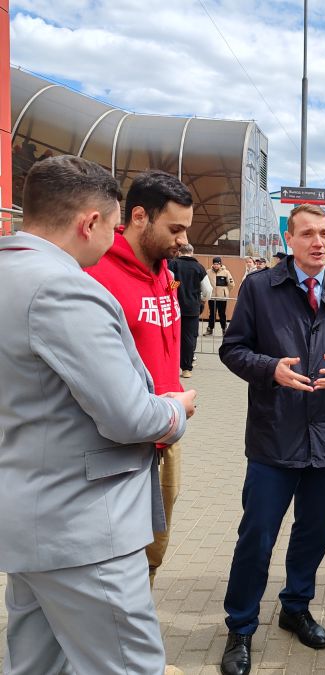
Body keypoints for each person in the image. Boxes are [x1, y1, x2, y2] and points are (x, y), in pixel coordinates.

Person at [0, 155, 195, 674]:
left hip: (32, 516)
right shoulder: (66, 288)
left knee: (39, 662)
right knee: (129, 665)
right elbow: (128, 415)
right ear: (90, 222)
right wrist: (175, 411)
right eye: (110, 226)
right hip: (84, 529)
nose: (112, 239)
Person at [217, 204, 325, 675]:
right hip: (274, 437)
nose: (318, 242)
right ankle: (240, 627)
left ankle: (295, 607)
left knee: (313, 533)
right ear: (290, 239)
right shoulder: (260, 288)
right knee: (258, 536)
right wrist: (271, 370)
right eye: (307, 233)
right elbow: (232, 349)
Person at [87, 169, 194, 587]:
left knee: (151, 553)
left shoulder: (164, 272)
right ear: (138, 217)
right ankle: (122, 648)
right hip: (121, 446)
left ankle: (134, 646)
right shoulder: (97, 276)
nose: (183, 239)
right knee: (118, 560)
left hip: (166, 433)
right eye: (175, 228)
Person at [168, 243, 212, 378]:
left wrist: (178, 286)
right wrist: (202, 300)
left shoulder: (173, 265)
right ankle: (186, 369)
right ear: (192, 252)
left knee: (171, 337)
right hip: (192, 308)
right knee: (189, 338)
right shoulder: (199, 268)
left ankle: (170, 367)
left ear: (179, 252)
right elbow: (208, 290)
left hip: (174, 307)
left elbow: (169, 284)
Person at [205, 256, 234, 335]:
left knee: (222, 314)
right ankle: (210, 329)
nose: (216, 265)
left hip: (222, 298)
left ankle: (224, 329)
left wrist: (225, 291)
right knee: (212, 314)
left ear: (220, 264)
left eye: (218, 264)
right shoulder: (208, 272)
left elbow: (231, 284)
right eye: (214, 264)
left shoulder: (226, 272)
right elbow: (205, 283)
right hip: (212, 297)